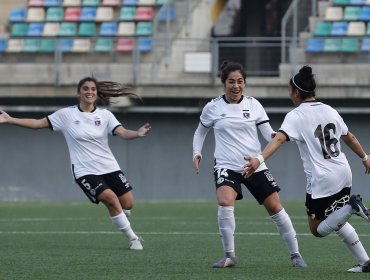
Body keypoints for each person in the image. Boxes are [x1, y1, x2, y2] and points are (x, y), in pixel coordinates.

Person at [0, 77, 151, 250]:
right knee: (110, 199)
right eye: (85, 89)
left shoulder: (105, 115)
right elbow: (37, 123)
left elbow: (123, 133)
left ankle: (120, 212)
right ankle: (133, 238)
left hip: (109, 167)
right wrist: (10, 119)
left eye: (93, 89)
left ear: (96, 93)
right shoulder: (66, 115)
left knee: (128, 203)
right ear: (78, 92)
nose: (89, 92)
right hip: (84, 170)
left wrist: (137, 134)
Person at [244, 65, 370, 272]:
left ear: (296, 92)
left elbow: (279, 140)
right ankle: (366, 262)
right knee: (335, 219)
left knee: (317, 229)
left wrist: (259, 158)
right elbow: (350, 137)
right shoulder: (330, 110)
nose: (289, 95)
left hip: (322, 179)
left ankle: (352, 208)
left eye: (289, 91)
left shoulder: (296, 115)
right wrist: (365, 157)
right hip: (343, 172)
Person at [192, 61, 306, 268]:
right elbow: (201, 131)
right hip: (226, 165)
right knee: (225, 201)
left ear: (245, 83)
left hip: (254, 165)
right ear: (223, 83)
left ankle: (296, 254)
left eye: (240, 81)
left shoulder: (254, 105)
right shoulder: (213, 107)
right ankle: (229, 255)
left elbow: (267, 133)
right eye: (231, 82)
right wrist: (197, 152)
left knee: (275, 207)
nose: (236, 86)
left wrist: (277, 136)